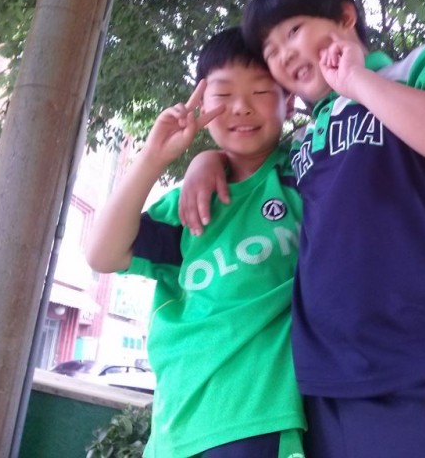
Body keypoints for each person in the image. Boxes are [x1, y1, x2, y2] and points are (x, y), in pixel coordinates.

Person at [179, 0, 425, 457]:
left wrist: (356, 81)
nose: (283, 54)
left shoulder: (416, 69)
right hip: (328, 381)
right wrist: (206, 160)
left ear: (346, 17)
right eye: (271, 49)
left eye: (293, 30)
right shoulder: (306, 139)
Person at [85, 27, 307, 458]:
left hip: (257, 420)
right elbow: (102, 254)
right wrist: (155, 157)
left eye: (262, 91)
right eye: (223, 94)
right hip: (175, 429)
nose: (241, 107)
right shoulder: (188, 205)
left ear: (290, 102)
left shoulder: (303, 178)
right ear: (202, 103)